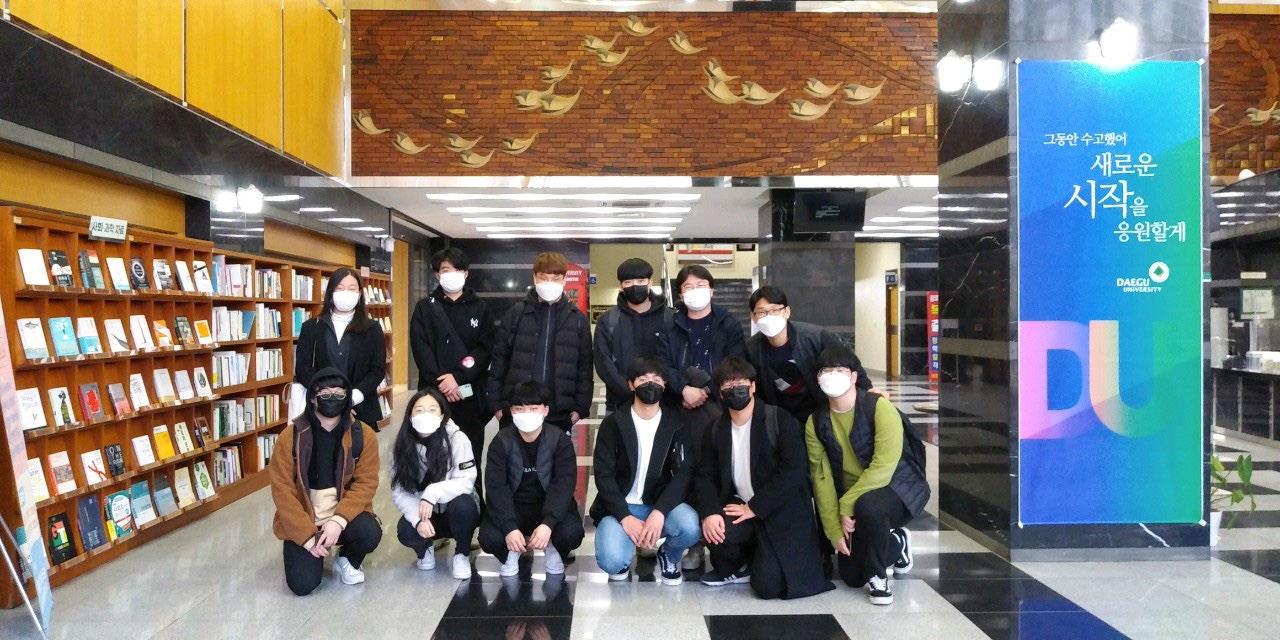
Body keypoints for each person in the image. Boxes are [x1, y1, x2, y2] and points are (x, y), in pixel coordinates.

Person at [694, 357, 833, 600]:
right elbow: (705, 475)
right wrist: (710, 512)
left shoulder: (779, 420)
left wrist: (755, 507)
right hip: (740, 504)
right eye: (727, 385)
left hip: (779, 509)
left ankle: (762, 558)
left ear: (753, 386)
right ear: (720, 393)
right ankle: (739, 566)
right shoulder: (715, 429)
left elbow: (793, 470)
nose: (735, 389)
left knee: (768, 587)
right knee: (717, 530)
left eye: (741, 383)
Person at [805, 345, 928, 605]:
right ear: (818, 377)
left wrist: (846, 505)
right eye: (826, 370)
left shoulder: (878, 407)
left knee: (869, 506)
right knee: (851, 576)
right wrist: (834, 529)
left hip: (896, 488)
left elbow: (884, 466)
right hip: (852, 499)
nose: (832, 375)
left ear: (853, 376)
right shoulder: (815, 422)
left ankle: (878, 577)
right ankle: (897, 543)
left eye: (840, 370)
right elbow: (821, 479)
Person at [270, 368, 381, 595]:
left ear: (347, 398)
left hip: (343, 514)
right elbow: (282, 490)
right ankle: (314, 549)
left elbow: (366, 483)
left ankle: (347, 558)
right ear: (313, 397)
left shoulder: (363, 435)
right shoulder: (290, 437)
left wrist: (338, 520)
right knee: (302, 585)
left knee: (369, 532)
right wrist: (306, 537)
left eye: (339, 394)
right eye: (325, 393)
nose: (333, 398)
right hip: (305, 517)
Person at [664, 264, 746, 570]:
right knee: (686, 471)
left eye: (700, 285)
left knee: (720, 471)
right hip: (680, 410)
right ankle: (695, 542)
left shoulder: (728, 323)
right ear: (680, 294)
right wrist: (683, 389)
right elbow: (664, 364)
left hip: (720, 409)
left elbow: (736, 362)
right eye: (688, 287)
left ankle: (723, 537)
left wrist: (707, 390)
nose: (695, 291)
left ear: (711, 289)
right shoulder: (671, 325)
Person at [590, 356, 699, 585]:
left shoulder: (675, 423)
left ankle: (669, 555)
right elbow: (604, 475)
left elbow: (683, 473)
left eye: (657, 379)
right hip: (621, 506)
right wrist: (625, 516)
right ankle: (623, 553)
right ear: (631, 385)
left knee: (690, 526)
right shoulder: (613, 424)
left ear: (664, 385)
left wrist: (660, 511)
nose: (651, 384)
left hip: (657, 503)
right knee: (611, 561)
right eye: (643, 379)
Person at [410, 247, 494, 494]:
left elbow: (484, 349)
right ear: (437, 274)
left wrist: (458, 378)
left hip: (468, 394)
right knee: (431, 455)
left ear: (466, 274)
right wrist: (443, 383)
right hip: (433, 396)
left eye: (458, 269)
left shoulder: (481, 308)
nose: (452, 274)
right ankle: (432, 505)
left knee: (470, 454)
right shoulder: (425, 307)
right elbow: (421, 348)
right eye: (446, 270)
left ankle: (473, 504)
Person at [479, 381, 585, 577]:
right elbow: (496, 487)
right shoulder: (501, 441)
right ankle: (511, 550)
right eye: (520, 409)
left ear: (545, 410)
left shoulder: (559, 440)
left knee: (571, 533)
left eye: (534, 408)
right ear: (511, 411)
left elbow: (564, 484)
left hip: (547, 503)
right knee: (489, 537)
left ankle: (553, 548)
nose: (526, 414)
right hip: (514, 505)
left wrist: (548, 524)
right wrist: (509, 527)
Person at [487, 252, 593, 432]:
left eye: (555, 278)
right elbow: (499, 360)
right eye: (544, 278)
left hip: (559, 411)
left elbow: (584, 367)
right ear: (534, 278)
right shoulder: (516, 314)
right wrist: (496, 404)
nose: (549, 283)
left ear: (565, 279)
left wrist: (580, 408)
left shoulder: (577, 320)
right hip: (518, 408)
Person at [744, 285, 874, 425]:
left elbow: (848, 361)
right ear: (753, 317)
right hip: (781, 419)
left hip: (821, 411)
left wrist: (869, 392)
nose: (769, 316)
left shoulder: (815, 337)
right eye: (762, 312)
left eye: (775, 310)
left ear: (787, 312)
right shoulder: (751, 349)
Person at [390, 387, 480, 580]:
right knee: (406, 530)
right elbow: (399, 491)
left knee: (464, 506)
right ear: (410, 416)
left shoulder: (457, 438)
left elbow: (466, 480)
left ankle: (462, 553)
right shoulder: (402, 446)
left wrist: (433, 492)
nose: (426, 415)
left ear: (441, 415)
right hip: (426, 515)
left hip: (454, 511)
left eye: (432, 410)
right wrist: (418, 519)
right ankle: (425, 549)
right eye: (419, 410)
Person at [295, 267, 387, 431]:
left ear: (360, 294)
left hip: (361, 409)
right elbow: (302, 368)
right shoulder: (311, 327)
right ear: (331, 292)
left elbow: (377, 370)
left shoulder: (372, 329)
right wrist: (327, 396)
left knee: (360, 447)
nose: (346, 293)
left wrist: (351, 398)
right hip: (320, 410)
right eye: (340, 288)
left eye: (352, 289)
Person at [594, 258, 673, 412]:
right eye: (628, 282)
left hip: (664, 404)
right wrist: (630, 391)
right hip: (619, 404)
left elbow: (674, 360)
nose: (635, 286)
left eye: (641, 280)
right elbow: (603, 362)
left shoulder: (669, 317)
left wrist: (657, 390)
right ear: (621, 286)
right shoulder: (608, 320)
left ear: (650, 282)